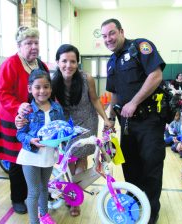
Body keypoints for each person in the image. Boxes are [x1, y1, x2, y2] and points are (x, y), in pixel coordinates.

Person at [17, 44, 113, 217]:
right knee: (68, 159)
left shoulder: (86, 78)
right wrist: (22, 110)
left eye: (73, 61)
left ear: (78, 63)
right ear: (57, 62)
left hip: (86, 120)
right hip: (63, 121)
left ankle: (75, 199)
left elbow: (95, 99)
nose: (68, 65)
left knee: (81, 159)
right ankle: (70, 195)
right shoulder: (52, 81)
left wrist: (106, 119)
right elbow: (40, 101)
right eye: (64, 61)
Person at [101, 18, 166, 224]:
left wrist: (134, 102)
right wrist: (110, 118)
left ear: (121, 31)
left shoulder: (140, 46)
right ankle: (136, 201)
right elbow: (114, 94)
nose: (108, 39)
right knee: (130, 166)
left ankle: (151, 211)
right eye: (104, 36)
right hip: (126, 125)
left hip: (149, 121)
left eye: (111, 33)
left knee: (151, 166)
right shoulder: (111, 62)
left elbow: (155, 75)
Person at [0, 26, 49, 214]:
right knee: (18, 160)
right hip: (12, 118)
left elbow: (48, 90)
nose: (33, 46)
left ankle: (35, 193)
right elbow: (3, 93)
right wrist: (19, 107)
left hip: (35, 121)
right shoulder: (10, 64)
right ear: (19, 45)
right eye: (28, 43)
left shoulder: (42, 66)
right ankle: (17, 198)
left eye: (36, 42)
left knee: (35, 157)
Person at [16, 69, 63, 224]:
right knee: (34, 191)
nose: (42, 91)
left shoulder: (57, 108)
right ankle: (33, 221)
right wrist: (31, 140)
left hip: (48, 155)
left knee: (44, 187)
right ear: (30, 89)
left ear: (51, 88)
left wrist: (67, 136)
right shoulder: (26, 110)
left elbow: (61, 128)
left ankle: (44, 215)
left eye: (46, 86)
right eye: (37, 87)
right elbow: (20, 134)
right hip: (30, 155)